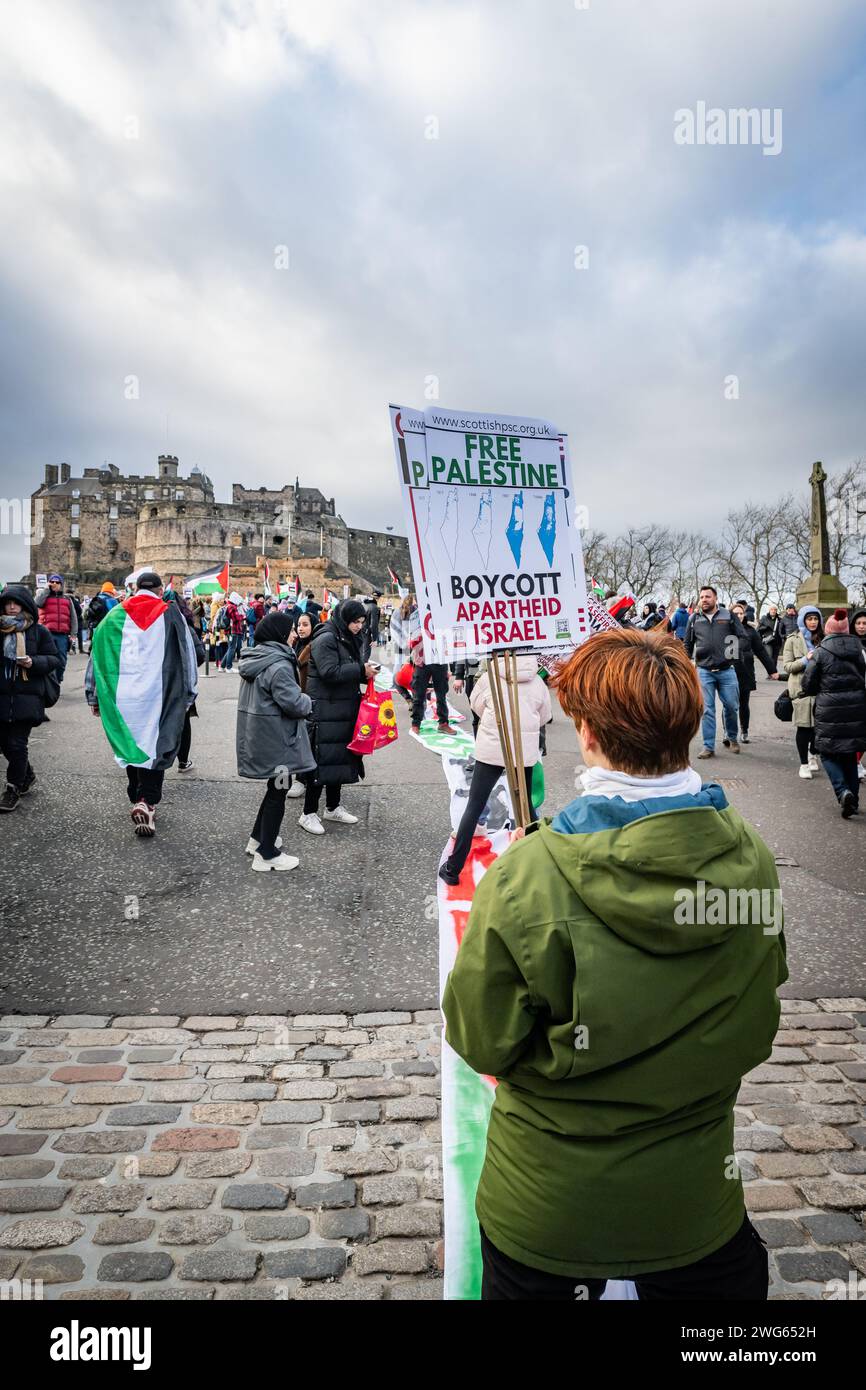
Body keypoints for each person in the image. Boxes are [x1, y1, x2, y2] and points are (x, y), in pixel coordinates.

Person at [442, 626, 787, 1301]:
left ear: (591, 736)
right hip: (692, 1201)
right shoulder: (752, 860)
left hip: (548, 1205)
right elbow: (757, 1016)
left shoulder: (527, 877)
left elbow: (482, 1038)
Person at [85, 572, 198, 837]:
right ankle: (147, 801)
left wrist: (93, 695)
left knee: (131, 743)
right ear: (160, 591)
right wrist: (190, 694)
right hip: (160, 695)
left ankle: (137, 794)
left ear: (135, 589)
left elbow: (96, 658)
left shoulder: (112, 617)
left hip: (122, 697)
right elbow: (187, 655)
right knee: (155, 746)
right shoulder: (171, 615)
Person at [439, 655, 551, 885]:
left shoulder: (491, 676)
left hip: (492, 747)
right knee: (526, 807)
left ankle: (453, 868)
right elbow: (545, 716)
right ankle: (540, 866)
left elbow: (476, 704)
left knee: (475, 804)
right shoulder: (537, 680)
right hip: (524, 752)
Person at [236, 611, 315, 871]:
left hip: (264, 737)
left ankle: (258, 840)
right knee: (279, 792)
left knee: (274, 790)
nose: (294, 634)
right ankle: (267, 854)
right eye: (291, 630)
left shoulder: (258, 658)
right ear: (281, 634)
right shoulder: (279, 664)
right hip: (279, 742)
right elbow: (294, 703)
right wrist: (308, 702)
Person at [298, 599, 375, 834]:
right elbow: (329, 672)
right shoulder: (326, 638)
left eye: (361, 622)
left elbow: (348, 668)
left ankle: (332, 807)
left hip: (342, 708)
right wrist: (361, 670)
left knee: (339, 759)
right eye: (355, 622)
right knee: (320, 762)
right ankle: (308, 813)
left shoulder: (346, 636)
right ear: (344, 619)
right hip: (325, 709)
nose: (358, 626)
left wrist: (364, 673)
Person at [685, 585, 774, 758]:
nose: (704, 600)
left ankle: (732, 738)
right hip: (704, 671)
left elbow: (742, 636)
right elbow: (687, 644)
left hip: (727, 671)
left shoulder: (728, 615)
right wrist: (688, 661)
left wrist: (731, 652)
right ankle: (708, 746)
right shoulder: (694, 619)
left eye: (708, 597)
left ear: (715, 598)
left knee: (732, 707)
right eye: (702, 597)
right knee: (707, 710)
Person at [0, 586, 61, 812]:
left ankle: (12, 788)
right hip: (2, 696)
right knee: (5, 744)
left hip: (27, 697)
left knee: (16, 744)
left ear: (25, 605)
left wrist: (33, 662)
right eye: (8, 603)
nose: (12, 607)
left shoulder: (39, 632)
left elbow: (54, 659)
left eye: (16, 603)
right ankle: (27, 774)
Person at [801, 608, 866, 818]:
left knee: (828, 753)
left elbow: (809, 684)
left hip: (828, 708)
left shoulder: (820, 651)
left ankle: (842, 791)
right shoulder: (859, 650)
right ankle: (853, 801)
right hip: (856, 707)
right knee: (849, 754)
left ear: (828, 629)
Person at [163, 587, 206, 772]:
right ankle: (183, 761)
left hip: (156, 684)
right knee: (183, 721)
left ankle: (156, 763)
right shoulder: (186, 625)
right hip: (179, 683)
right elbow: (199, 655)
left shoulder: (149, 623)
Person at [781, 606, 822, 780]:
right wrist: (806, 659)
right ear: (803, 620)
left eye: (815, 619)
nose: (813, 622)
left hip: (821, 689)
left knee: (819, 728)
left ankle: (813, 753)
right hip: (801, 690)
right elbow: (787, 666)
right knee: (804, 727)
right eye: (809, 619)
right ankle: (804, 764)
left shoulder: (824, 638)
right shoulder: (792, 640)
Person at [729, 601, 779, 743]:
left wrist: (772, 670)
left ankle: (744, 730)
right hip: (729, 673)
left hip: (746, 672)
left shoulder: (750, 631)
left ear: (744, 615)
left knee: (744, 704)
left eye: (741, 613)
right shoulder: (725, 630)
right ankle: (729, 732)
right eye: (735, 613)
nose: (738, 616)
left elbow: (761, 651)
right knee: (729, 705)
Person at [409, 627, 457, 736]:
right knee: (419, 694)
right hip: (422, 661)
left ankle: (443, 723)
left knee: (441, 695)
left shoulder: (443, 616)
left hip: (439, 660)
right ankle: (416, 724)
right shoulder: (418, 615)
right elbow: (412, 640)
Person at [36, 574, 78, 683]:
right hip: (47, 633)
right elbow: (37, 603)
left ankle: (57, 679)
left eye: (57, 582)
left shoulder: (67, 599)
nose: (54, 584)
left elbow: (73, 617)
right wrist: (46, 589)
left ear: (61, 585)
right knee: (48, 659)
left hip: (62, 635)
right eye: (52, 582)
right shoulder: (44, 596)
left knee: (62, 661)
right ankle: (50, 681)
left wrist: (73, 634)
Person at [221, 593, 246, 671]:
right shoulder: (232, 607)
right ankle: (229, 667)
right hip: (233, 630)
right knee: (232, 648)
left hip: (230, 630)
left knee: (230, 648)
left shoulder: (228, 606)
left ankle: (222, 666)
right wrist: (243, 616)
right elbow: (235, 619)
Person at [758, 604, 783, 670]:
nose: (773, 611)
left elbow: (782, 630)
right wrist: (765, 628)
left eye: (775, 609)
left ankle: (773, 672)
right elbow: (758, 629)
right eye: (772, 609)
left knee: (775, 658)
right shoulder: (764, 618)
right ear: (769, 610)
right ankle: (770, 672)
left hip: (777, 641)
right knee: (769, 657)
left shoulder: (780, 619)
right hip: (768, 641)